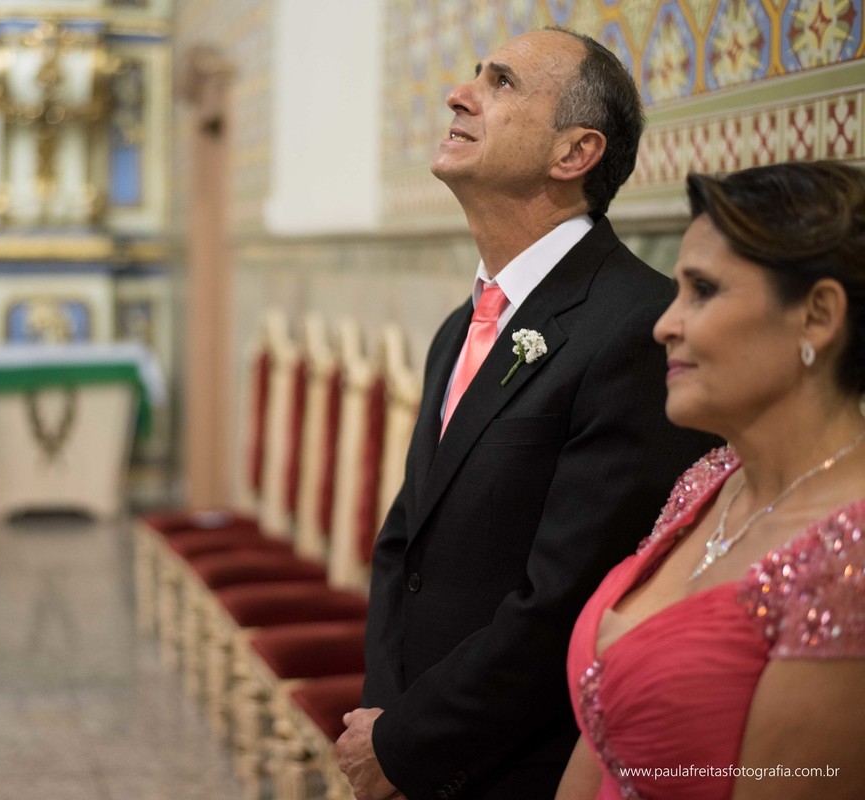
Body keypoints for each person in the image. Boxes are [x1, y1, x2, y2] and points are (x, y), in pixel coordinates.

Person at [334, 28, 718, 800]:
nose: (459, 93)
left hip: (521, 768)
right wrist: (385, 718)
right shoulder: (461, 326)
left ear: (574, 154)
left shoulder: (633, 329)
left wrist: (412, 743)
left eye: (501, 83)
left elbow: (566, 600)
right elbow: (403, 545)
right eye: (476, 75)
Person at [555, 162, 865, 800]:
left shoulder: (852, 555)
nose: (664, 325)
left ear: (817, 316)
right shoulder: (711, 480)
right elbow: (603, 734)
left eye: (703, 291)